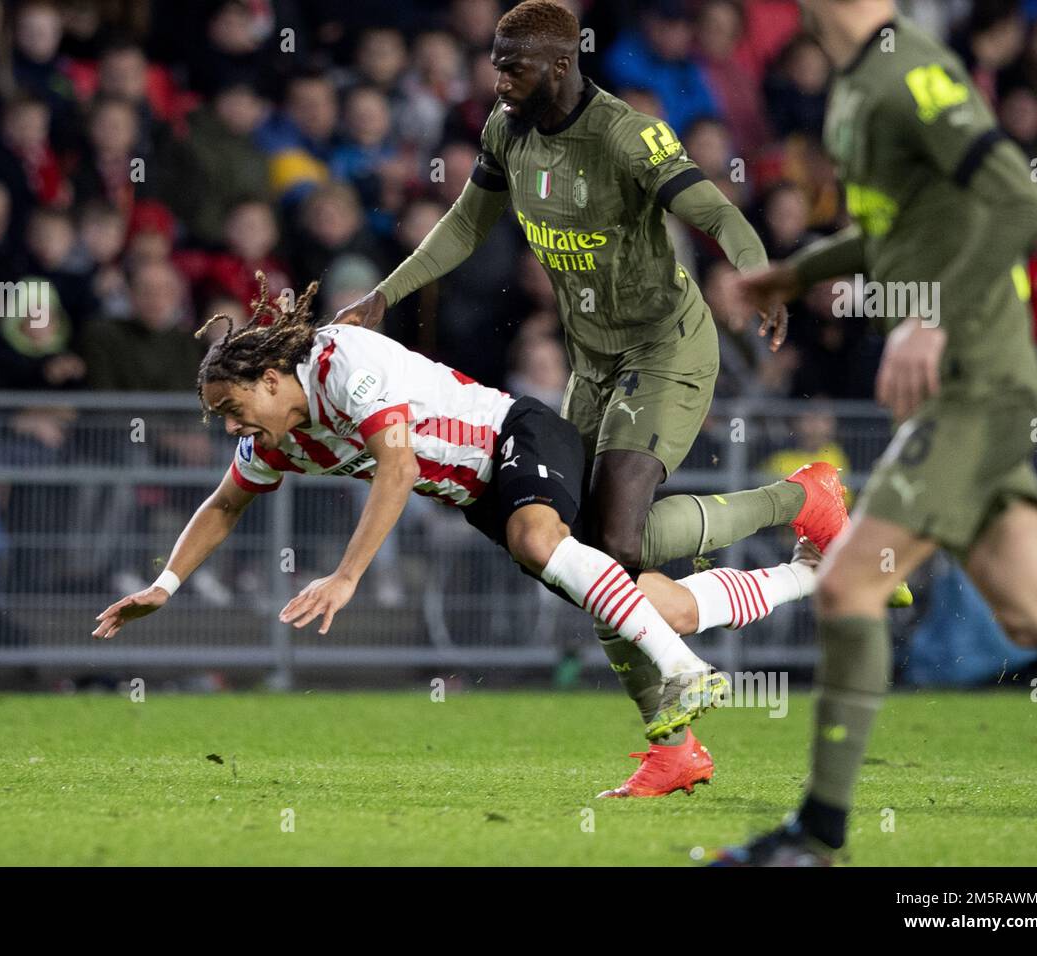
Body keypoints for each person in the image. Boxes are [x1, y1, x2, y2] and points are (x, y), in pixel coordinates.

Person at [331, 0, 847, 796]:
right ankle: (671, 747)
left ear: (561, 64)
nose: (497, 79)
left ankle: (797, 500)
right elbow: (466, 225)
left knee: (614, 543)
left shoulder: (625, 134)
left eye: (514, 65)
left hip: (665, 347)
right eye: (495, 61)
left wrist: (758, 265)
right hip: (593, 360)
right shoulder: (505, 132)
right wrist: (384, 296)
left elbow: (708, 206)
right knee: (573, 554)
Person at [93, 275, 846, 796]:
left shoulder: (337, 360)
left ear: (265, 377)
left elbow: (396, 467)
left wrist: (348, 575)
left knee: (543, 539)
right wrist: (165, 585)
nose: (231, 428)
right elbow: (222, 506)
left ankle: (686, 671)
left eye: (231, 409)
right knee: (653, 596)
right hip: (483, 496)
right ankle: (809, 562)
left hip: (516, 434)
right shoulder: (275, 441)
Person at [722, 0, 1037, 866]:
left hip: (977, 386)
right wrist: (797, 271)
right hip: (968, 390)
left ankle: (816, 836)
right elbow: (899, 233)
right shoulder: (856, 85)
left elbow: (1017, 203)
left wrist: (928, 318)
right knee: (1035, 612)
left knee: (848, 587)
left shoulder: (907, 71)